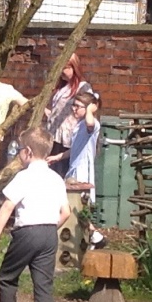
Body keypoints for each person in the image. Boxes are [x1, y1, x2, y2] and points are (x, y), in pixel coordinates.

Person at [0, 130, 66, 302]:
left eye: (20, 149)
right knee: (44, 285)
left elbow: (7, 206)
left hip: (27, 232)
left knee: (7, 276)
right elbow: (66, 212)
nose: (19, 153)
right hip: (49, 232)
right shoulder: (56, 178)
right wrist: (48, 226)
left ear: (28, 152)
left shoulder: (24, 176)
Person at [61, 85, 106, 250]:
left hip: (82, 171)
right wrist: (58, 156)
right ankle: (94, 237)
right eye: (73, 105)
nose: (74, 109)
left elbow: (90, 123)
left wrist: (90, 110)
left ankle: (94, 237)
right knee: (75, 207)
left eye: (77, 106)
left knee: (77, 206)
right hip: (74, 168)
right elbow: (75, 148)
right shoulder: (79, 125)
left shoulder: (92, 124)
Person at [43, 54, 85, 139]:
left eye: (64, 68)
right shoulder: (63, 87)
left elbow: (88, 108)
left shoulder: (83, 87)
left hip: (68, 137)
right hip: (53, 134)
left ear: (74, 68)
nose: (61, 71)